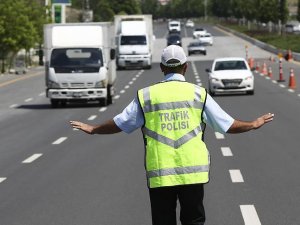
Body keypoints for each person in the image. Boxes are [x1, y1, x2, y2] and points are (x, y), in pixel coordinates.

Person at [70, 45, 274, 225]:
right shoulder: (198, 94)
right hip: (193, 173)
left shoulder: (147, 96)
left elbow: (121, 123)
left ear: (162, 68)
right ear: (185, 67)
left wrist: (94, 129)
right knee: (194, 220)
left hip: (160, 174)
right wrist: (253, 124)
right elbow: (227, 125)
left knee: (163, 220)